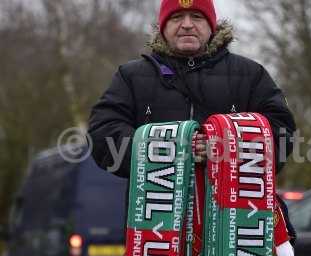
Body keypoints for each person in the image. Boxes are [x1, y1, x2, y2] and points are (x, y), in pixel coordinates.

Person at [88, 0, 296, 241]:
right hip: (156, 238)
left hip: (234, 234)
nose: (187, 25)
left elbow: (281, 132)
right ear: (163, 27)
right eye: (177, 18)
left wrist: (223, 149)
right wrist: (169, 150)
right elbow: (102, 133)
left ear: (211, 25)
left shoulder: (250, 75)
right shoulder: (131, 77)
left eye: (196, 16)